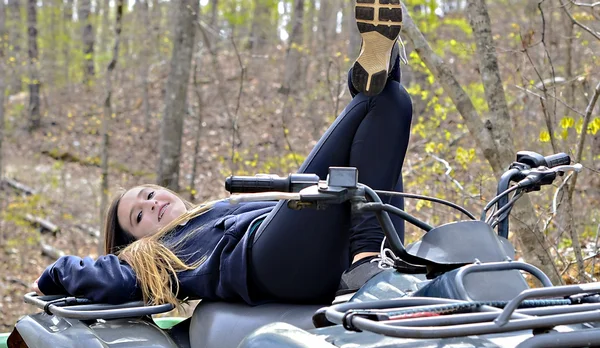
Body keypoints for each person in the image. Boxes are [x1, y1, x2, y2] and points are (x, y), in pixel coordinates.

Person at [34, 0, 411, 308]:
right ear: (131, 242)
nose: (152, 205)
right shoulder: (150, 257)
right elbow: (103, 279)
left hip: (324, 246)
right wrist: (51, 277)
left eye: (149, 195)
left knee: (392, 103)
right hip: (268, 261)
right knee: (370, 108)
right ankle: (366, 258)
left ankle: (378, 73)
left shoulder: (211, 210)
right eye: (138, 215)